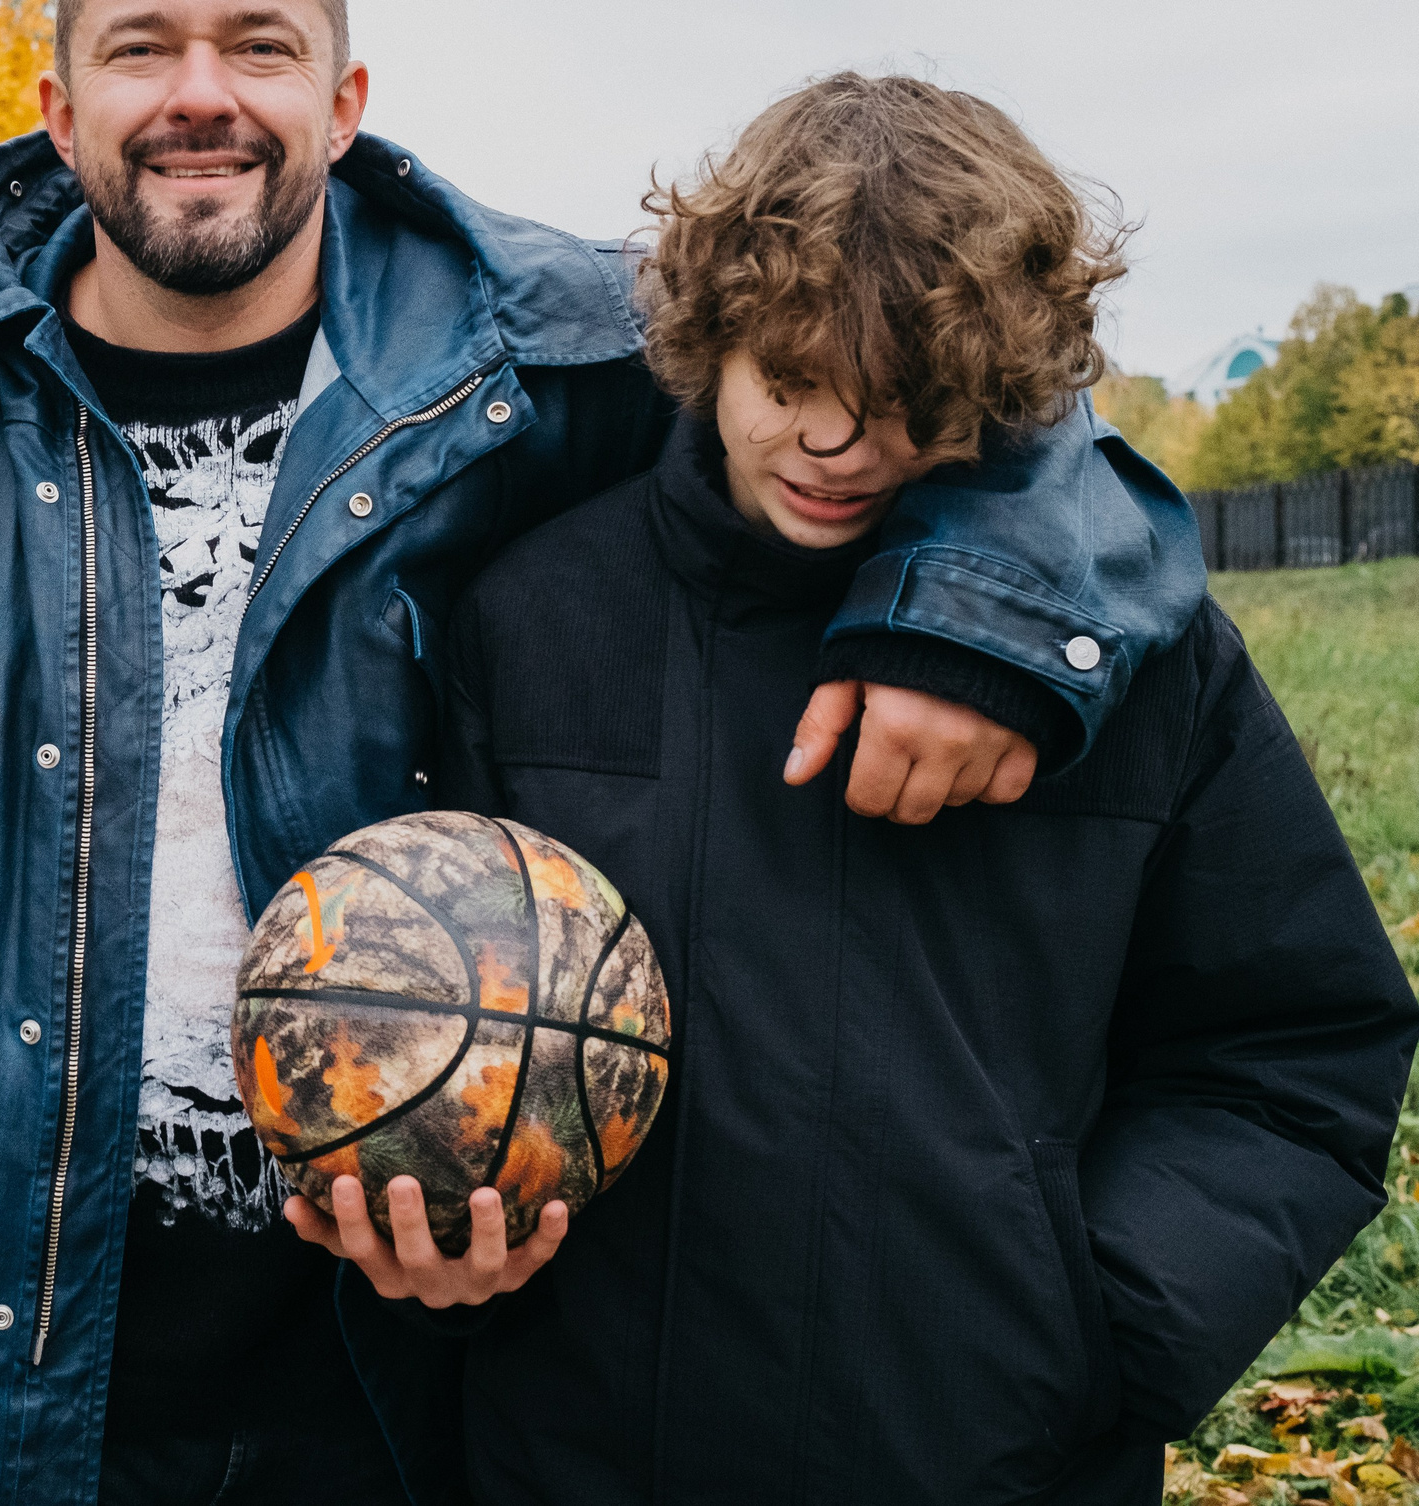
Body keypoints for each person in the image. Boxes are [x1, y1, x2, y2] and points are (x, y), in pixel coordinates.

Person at [0, 0, 1206, 1505]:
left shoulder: (547, 361)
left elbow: (933, 364)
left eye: (260, 45)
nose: (200, 96)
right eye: (141, 49)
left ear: (348, 98)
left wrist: (980, 612)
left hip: (406, 1323)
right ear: (56, 106)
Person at [355, 73, 1417, 1500]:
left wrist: (1093, 1328)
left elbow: (1296, 1046)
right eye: (786, 383)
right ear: (706, 343)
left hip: (990, 1458)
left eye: (901, 402)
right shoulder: (536, 616)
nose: (834, 446)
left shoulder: (1141, 666)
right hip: (585, 1453)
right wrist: (449, 1220)